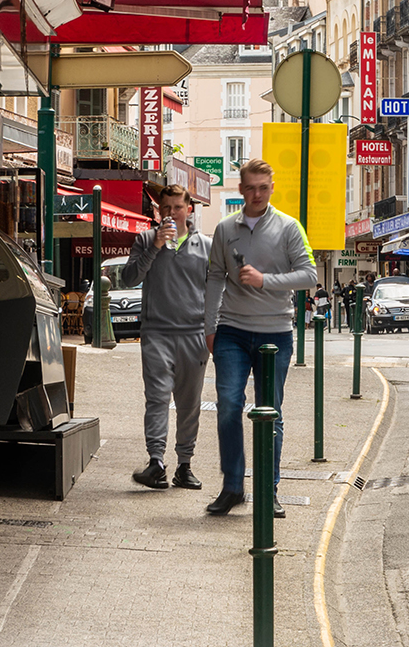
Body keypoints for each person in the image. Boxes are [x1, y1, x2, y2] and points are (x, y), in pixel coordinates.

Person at [202, 158, 318, 517]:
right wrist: (209, 326)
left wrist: (265, 280)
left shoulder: (289, 228)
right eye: (250, 187)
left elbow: (309, 275)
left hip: (275, 334)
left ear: (271, 188)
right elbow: (215, 277)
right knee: (228, 408)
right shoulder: (224, 230)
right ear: (240, 189)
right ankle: (233, 486)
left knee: (270, 413)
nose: (256, 194)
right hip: (232, 331)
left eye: (262, 188)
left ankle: (268, 491)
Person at [116, 186, 211, 491]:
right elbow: (129, 277)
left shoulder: (206, 246)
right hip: (156, 332)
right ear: (157, 211)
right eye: (165, 208)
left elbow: (216, 291)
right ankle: (156, 463)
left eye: (177, 207)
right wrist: (155, 246)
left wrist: (214, 329)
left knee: (189, 404)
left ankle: (185, 465)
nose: (171, 213)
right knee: (156, 398)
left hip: (194, 335)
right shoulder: (145, 239)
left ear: (189, 210)